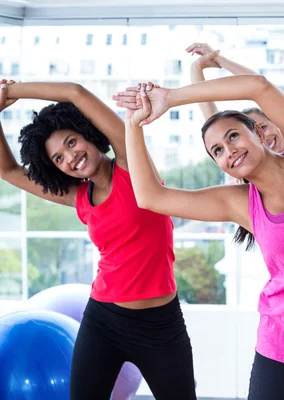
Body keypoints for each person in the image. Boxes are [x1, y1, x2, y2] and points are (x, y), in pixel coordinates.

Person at [113, 72, 284, 399]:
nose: (229, 150)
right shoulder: (239, 204)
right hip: (283, 343)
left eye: (233, 137)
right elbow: (150, 197)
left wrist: (171, 97)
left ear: (259, 132)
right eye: (218, 150)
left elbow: (259, 86)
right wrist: (133, 124)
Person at [0, 79, 196, 400]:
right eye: (58, 159)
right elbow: (8, 171)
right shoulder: (78, 196)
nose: (69, 157)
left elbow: (74, 92)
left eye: (71, 142)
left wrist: (11, 91)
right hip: (103, 320)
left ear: (87, 132)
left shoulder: (132, 166)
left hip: (160, 324)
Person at [186, 42, 284, 153]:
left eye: (263, 128)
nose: (263, 137)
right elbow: (210, 115)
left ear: (275, 121)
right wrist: (196, 67)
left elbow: (264, 88)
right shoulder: (247, 165)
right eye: (255, 134)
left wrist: (217, 58)